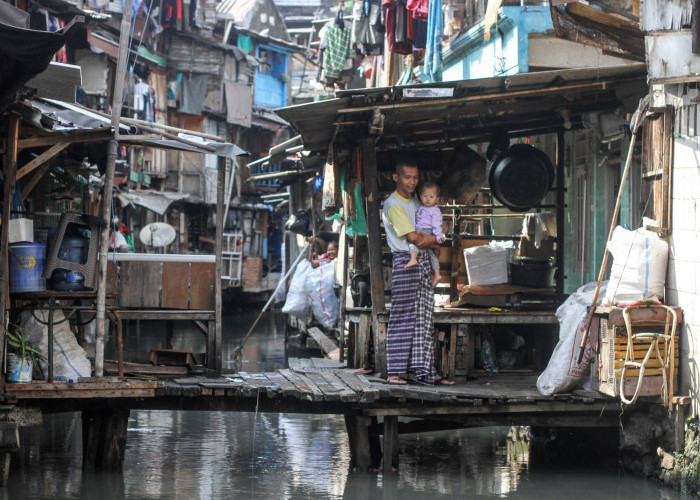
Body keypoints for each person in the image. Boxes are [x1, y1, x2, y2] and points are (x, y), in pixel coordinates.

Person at [382, 160, 440, 385]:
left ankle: (422, 370)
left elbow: (426, 233)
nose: (412, 182)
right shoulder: (393, 204)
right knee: (402, 315)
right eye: (407, 177)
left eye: (415, 177)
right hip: (406, 261)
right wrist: (435, 239)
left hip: (422, 260)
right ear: (396, 178)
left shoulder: (417, 202)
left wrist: (431, 238)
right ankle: (394, 372)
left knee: (424, 316)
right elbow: (413, 237)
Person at [405, 182, 445, 288]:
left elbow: (437, 224)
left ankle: (413, 258)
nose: (428, 199)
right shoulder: (421, 207)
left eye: (431, 197)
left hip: (426, 232)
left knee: (412, 242)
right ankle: (437, 274)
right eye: (425, 196)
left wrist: (438, 236)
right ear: (420, 196)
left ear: (437, 198)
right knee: (432, 255)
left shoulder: (435, 210)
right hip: (421, 230)